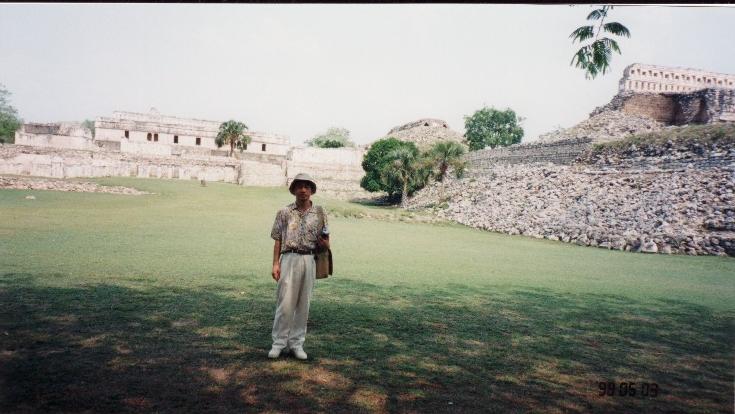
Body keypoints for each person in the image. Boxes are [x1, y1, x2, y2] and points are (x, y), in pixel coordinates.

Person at [268, 173, 329, 360]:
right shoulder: (284, 212)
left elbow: (327, 240)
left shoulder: (320, 213)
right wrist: (275, 263)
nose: (303, 190)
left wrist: (324, 244)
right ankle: (278, 343)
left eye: (307, 186)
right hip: (289, 258)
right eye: (299, 186)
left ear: (312, 191)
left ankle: (296, 344)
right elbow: (278, 239)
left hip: (309, 259)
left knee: (304, 304)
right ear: (293, 189)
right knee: (285, 303)